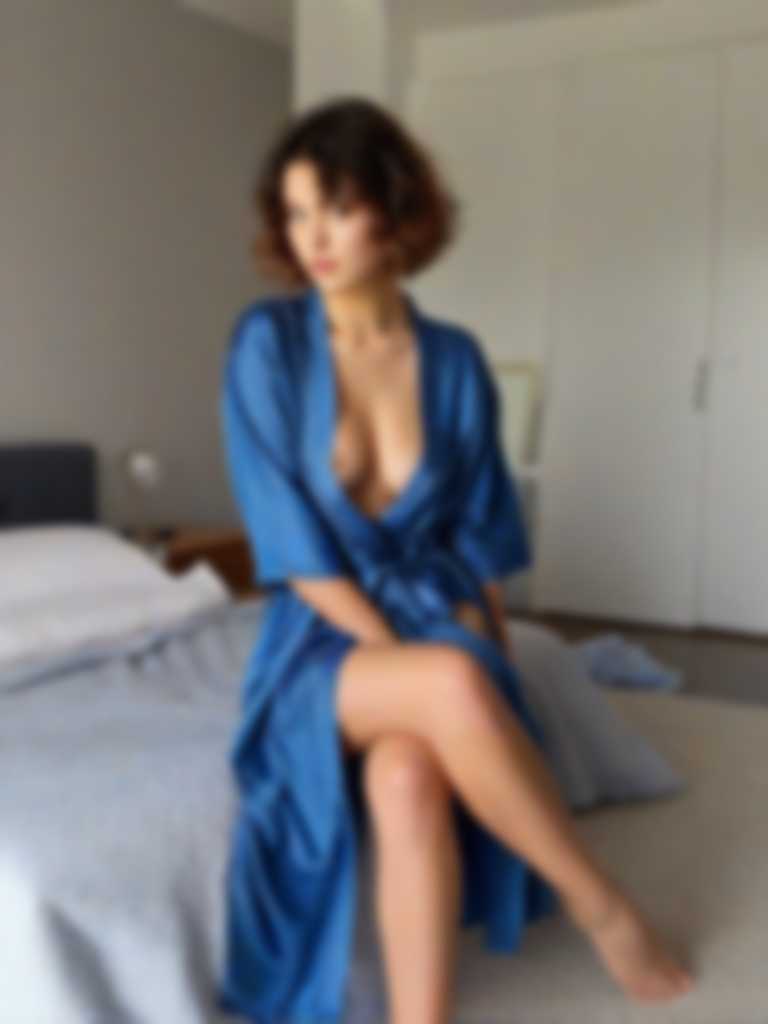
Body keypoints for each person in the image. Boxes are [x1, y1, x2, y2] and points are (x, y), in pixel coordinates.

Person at [217, 95, 694, 1024]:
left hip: (437, 614)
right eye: (298, 212)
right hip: (318, 643)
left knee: (408, 777)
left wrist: (491, 659)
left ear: (395, 211)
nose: (315, 237)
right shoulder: (266, 346)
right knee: (446, 685)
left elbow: (481, 536)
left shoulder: (455, 359)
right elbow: (293, 549)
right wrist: (433, 670)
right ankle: (605, 909)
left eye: (337, 208)